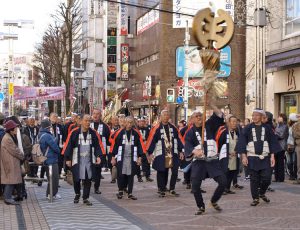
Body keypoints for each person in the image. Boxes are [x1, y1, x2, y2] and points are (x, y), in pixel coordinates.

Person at [184, 107, 227, 215]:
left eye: (200, 116)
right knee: (195, 186)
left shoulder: (209, 125)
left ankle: (214, 201)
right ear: (192, 120)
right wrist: (194, 151)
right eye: (196, 116)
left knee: (223, 182)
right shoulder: (190, 132)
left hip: (212, 161)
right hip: (199, 162)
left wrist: (211, 104)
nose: (199, 118)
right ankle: (201, 206)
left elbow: (219, 114)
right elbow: (187, 146)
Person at [236, 109, 277, 206]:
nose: (254, 117)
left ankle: (261, 193)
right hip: (252, 157)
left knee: (267, 178)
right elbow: (242, 142)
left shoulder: (267, 128)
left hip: (265, 157)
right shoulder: (247, 128)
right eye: (253, 115)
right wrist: (244, 156)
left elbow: (272, 142)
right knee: (254, 179)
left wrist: (272, 156)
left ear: (262, 117)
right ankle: (255, 198)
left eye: (256, 115)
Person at [63, 114, 104, 206]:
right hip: (77, 159)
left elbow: (98, 146)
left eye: (89, 121)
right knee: (77, 179)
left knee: (88, 178)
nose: (88, 123)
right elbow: (68, 145)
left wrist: (98, 156)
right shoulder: (74, 132)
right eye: (86, 120)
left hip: (89, 159)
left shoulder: (93, 133)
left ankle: (85, 198)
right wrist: (68, 159)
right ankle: (77, 193)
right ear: (81, 121)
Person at [146, 110, 184, 197]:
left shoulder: (173, 127)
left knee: (175, 171)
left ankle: (172, 188)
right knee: (162, 171)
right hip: (161, 152)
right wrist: (149, 152)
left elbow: (179, 139)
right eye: (164, 115)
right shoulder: (156, 128)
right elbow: (151, 140)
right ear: (161, 117)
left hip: (173, 153)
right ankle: (161, 188)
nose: (166, 117)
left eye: (167, 115)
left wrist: (181, 150)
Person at [111, 116, 144, 200]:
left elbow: (140, 145)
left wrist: (140, 158)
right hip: (121, 157)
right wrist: (113, 157)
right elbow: (114, 145)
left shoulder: (136, 133)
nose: (129, 124)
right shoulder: (119, 133)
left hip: (132, 157)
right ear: (124, 123)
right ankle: (120, 191)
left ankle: (130, 192)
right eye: (128, 122)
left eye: (131, 122)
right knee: (121, 174)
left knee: (131, 175)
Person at [216, 115, 242, 195]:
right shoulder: (223, 132)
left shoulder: (237, 132)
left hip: (235, 156)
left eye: (236, 122)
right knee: (225, 173)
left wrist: (237, 151)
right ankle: (222, 189)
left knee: (232, 172)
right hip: (225, 156)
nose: (235, 123)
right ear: (228, 123)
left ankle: (227, 188)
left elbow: (240, 143)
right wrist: (226, 153)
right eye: (233, 122)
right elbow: (219, 144)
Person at [0, 120, 24, 205]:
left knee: (11, 180)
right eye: (15, 128)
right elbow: (14, 150)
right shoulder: (7, 138)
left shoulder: (9, 136)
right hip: (9, 162)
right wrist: (22, 155)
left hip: (10, 162)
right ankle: (7, 198)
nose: (17, 129)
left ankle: (8, 197)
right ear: (11, 130)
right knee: (10, 181)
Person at [38, 119, 62, 200]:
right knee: (54, 178)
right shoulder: (47, 136)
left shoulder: (40, 134)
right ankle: (51, 194)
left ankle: (51, 194)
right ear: (48, 126)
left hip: (45, 158)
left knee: (50, 178)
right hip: (51, 159)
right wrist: (59, 151)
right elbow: (55, 148)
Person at [90, 108, 111, 194]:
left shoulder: (105, 126)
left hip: (100, 150)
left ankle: (96, 187)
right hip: (89, 149)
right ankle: (86, 182)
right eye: (94, 113)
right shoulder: (88, 124)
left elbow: (110, 139)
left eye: (97, 114)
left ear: (100, 115)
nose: (95, 115)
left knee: (98, 169)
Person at [137, 116, 153, 182]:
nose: (142, 123)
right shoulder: (136, 129)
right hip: (138, 148)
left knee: (147, 162)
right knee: (138, 162)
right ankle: (139, 176)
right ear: (138, 122)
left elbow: (150, 138)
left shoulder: (147, 129)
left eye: (143, 121)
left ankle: (147, 176)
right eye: (141, 121)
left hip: (146, 148)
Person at [49, 113, 65, 178]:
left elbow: (63, 135)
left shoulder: (59, 126)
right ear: (50, 117)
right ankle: (43, 176)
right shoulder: (48, 125)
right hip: (50, 148)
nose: (55, 118)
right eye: (54, 117)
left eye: (56, 117)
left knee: (59, 162)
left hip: (59, 147)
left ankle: (57, 176)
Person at [274, 113, 288, 182]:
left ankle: (281, 178)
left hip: (281, 146)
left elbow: (282, 136)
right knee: (276, 163)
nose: (278, 118)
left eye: (280, 117)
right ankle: (276, 177)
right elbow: (275, 133)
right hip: (276, 145)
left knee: (280, 163)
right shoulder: (277, 125)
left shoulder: (285, 126)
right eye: (278, 117)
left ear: (283, 118)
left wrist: (275, 135)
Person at [287, 113, 298, 181]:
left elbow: (293, 136)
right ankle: (292, 175)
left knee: (293, 161)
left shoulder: (294, 126)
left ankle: (293, 175)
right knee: (291, 161)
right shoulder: (290, 126)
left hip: (293, 144)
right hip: (290, 144)